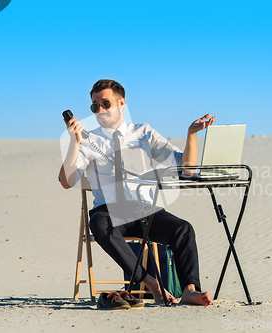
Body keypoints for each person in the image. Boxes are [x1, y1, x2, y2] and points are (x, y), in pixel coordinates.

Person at [59, 79, 216, 306]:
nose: (100, 110)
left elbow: (187, 166)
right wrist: (74, 142)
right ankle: (151, 283)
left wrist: (191, 134)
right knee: (99, 224)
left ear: (121, 103)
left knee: (183, 229)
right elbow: (67, 181)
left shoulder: (143, 132)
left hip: (145, 209)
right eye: (95, 106)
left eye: (105, 103)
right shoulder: (88, 141)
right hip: (110, 212)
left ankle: (190, 290)